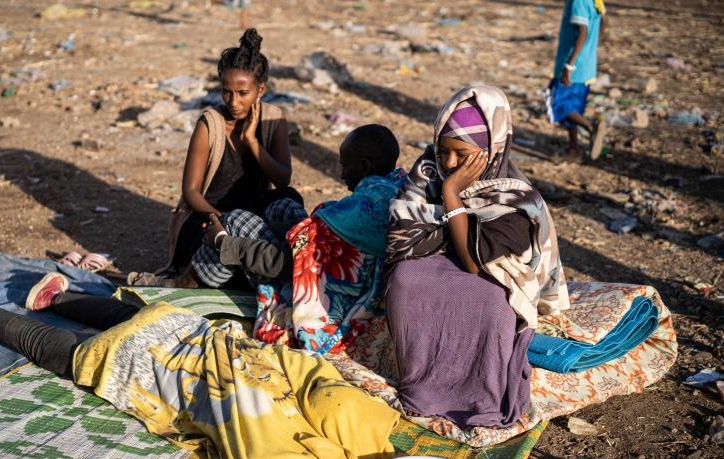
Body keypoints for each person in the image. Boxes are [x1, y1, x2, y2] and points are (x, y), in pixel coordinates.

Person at [0, 273, 400, 459]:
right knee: (56, 347)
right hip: (140, 364)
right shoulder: (284, 453)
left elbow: (323, 384)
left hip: (189, 333)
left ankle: (55, 296)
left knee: (132, 319)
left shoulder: (321, 384)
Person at [386, 85, 570, 428]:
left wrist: (451, 195)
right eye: (444, 151)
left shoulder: (515, 197)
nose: (450, 163)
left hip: (490, 269)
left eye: (462, 154)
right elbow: (400, 238)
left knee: (492, 300)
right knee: (404, 281)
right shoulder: (427, 171)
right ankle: (421, 389)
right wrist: (454, 215)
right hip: (444, 260)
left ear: (491, 149)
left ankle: (477, 398)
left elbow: (473, 261)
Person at [131, 28, 301, 288]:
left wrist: (253, 142)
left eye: (242, 93)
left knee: (289, 200)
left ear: (261, 89)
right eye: (227, 92)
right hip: (207, 221)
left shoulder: (273, 120)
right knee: (235, 243)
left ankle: (286, 268)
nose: (234, 102)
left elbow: (282, 179)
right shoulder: (209, 124)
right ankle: (199, 275)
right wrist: (220, 219)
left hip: (251, 216)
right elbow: (190, 192)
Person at [250, 125, 406, 354]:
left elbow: (289, 257)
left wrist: (222, 242)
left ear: (365, 166)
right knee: (285, 204)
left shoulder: (365, 209)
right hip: (347, 278)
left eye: (345, 165)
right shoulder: (398, 186)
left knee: (239, 222)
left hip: (329, 300)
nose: (342, 174)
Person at [546, 0, 607, 160]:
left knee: (558, 104)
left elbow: (583, 33)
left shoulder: (578, 1)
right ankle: (574, 150)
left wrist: (569, 65)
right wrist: (590, 48)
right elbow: (604, 21)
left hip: (574, 67)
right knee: (573, 109)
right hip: (586, 65)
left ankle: (591, 127)